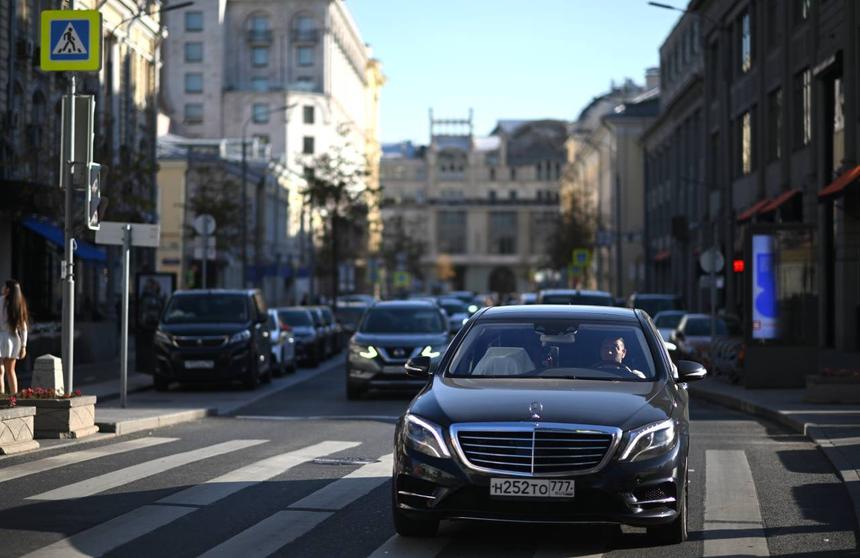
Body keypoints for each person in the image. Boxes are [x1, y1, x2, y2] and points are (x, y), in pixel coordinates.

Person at [0, 280, 29, 395]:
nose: (2, 288)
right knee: (10, 371)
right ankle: (13, 399)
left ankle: (4, 398)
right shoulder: (18, 304)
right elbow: (24, 328)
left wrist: (23, 346)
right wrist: (23, 346)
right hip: (13, 340)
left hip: (5, 337)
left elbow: (23, 327)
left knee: (4, 371)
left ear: (7, 289)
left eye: (4, 286)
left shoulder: (2, 302)